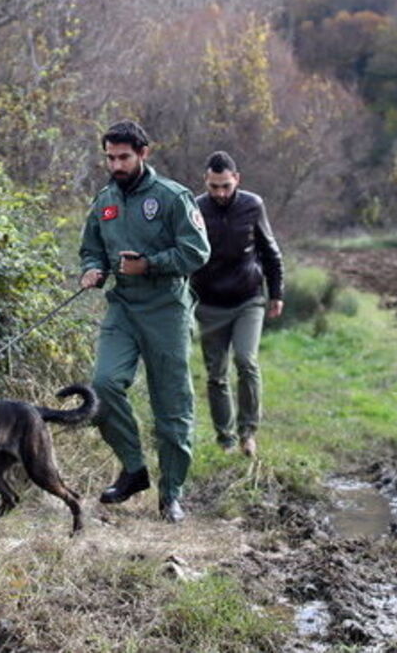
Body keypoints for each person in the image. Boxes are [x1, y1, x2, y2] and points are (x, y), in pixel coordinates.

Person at [80, 121, 210, 522]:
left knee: (171, 404)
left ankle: (171, 494)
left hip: (166, 308)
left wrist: (150, 264)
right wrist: (92, 269)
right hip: (122, 306)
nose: (116, 165)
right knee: (103, 385)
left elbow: (197, 251)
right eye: (110, 158)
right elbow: (91, 248)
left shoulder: (172, 197)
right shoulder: (105, 200)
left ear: (143, 154)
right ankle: (133, 469)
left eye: (124, 157)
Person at [190, 151, 284, 458]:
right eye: (214, 187)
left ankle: (248, 433)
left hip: (248, 299)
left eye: (226, 186)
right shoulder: (195, 208)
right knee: (216, 374)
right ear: (206, 181)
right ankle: (226, 440)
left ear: (237, 180)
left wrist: (276, 293)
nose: (220, 193)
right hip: (209, 303)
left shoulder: (252, 205)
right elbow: (185, 253)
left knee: (246, 360)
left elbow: (271, 252)